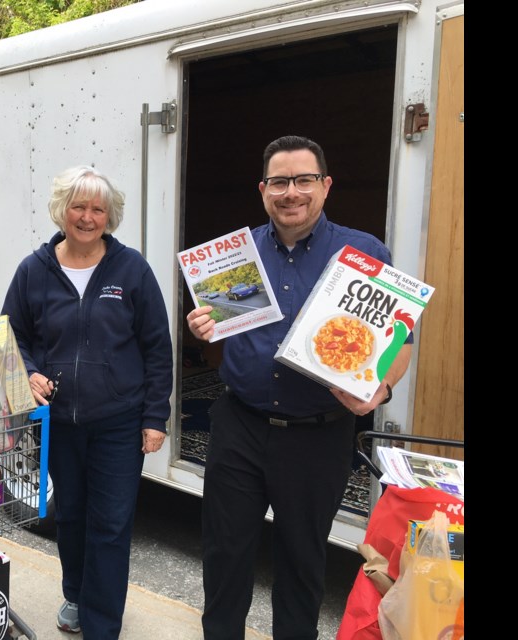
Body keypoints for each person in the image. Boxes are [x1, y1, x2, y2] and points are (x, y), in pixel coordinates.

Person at [186, 135, 413, 640]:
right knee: (224, 558)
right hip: (239, 425)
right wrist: (203, 328)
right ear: (263, 189)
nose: (292, 192)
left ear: (325, 186)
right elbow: (218, 337)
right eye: (279, 182)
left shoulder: (364, 253)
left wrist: (383, 390)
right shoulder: (232, 256)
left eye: (304, 180)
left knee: (302, 563)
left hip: (318, 435)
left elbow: (400, 339)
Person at [2, 165, 173, 639]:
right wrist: (31, 371)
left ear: (109, 216)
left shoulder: (131, 269)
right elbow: (11, 334)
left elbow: (157, 346)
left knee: (112, 523)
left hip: (119, 420)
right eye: (78, 206)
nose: (87, 216)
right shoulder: (34, 269)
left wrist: (155, 416)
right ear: (62, 210)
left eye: (98, 208)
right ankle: (76, 592)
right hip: (60, 422)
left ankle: (102, 625)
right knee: (72, 516)